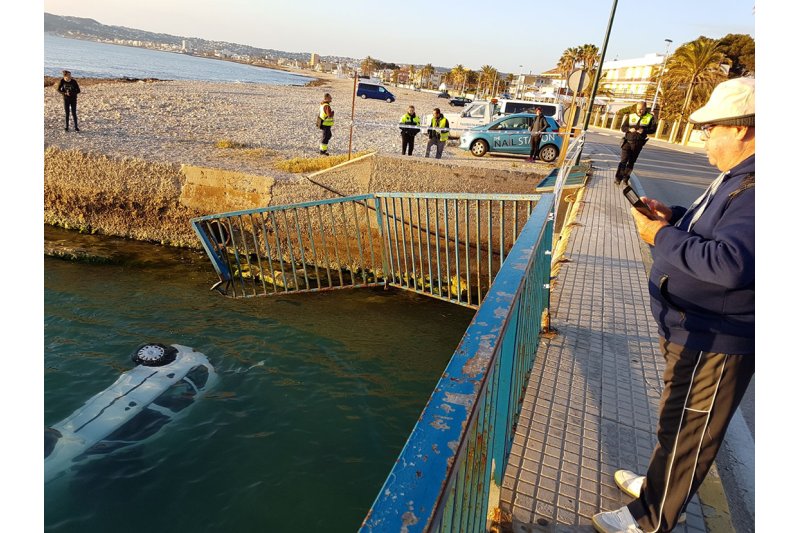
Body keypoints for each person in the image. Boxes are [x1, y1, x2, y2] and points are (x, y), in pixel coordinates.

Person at [592, 77, 755, 533]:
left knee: (690, 434)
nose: (705, 136)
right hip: (692, 327)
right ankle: (659, 488)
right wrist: (675, 218)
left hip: (718, 337)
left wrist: (659, 236)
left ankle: (651, 520)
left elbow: (732, 263)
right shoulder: (738, 177)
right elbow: (715, 233)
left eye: (711, 128)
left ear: (741, 129)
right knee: (676, 421)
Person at [615, 101, 655, 185]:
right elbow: (623, 127)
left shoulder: (649, 117)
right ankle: (618, 179)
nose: (639, 111)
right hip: (627, 142)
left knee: (631, 162)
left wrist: (644, 130)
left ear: (645, 108)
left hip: (638, 143)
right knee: (623, 161)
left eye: (641, 109)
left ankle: (626, 178)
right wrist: (629, 129)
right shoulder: (631, 116)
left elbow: (653, 129)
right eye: (638, 109)